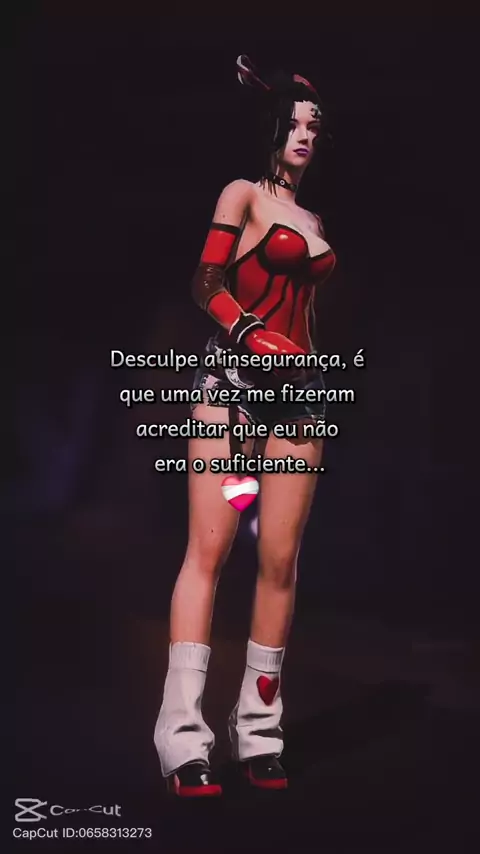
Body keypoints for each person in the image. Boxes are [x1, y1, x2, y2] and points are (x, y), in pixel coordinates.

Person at [154, 54, 336, 797]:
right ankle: (181, 738)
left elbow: (308, 312)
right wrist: (249, 333)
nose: (306, 135)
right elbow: (206, 281)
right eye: (294, 124)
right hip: (232, 384)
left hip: (300, 398)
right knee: (210, 549)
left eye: (314, 126)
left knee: (280, 561)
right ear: (271, 127)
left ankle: (259, 731)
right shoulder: (242, 194)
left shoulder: (313, 221)